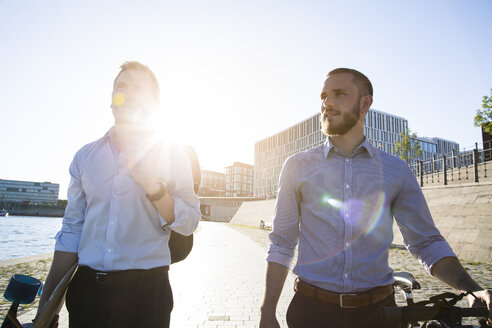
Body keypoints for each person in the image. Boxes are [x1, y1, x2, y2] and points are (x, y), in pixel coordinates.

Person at [259, 68, 492, 328]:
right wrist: (267, 312)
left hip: (380, 315)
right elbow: (282, 243)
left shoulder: (396, 170)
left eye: (339, 94)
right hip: (311, 313)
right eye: (324, 96)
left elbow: (426, 243)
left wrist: (473, 289)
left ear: (365, 102)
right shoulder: (297, 166)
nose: (327, 103)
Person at [36, 61, 201, 328]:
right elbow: (71, 234)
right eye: (121, 86)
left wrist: (154, 188)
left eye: (138, 88)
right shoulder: (85, 157)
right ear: (111, 100)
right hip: (86, 294)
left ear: (155, 105)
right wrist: (47, 308)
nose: (127, 92)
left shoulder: (174, 154)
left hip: (148, 294)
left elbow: (191, 221)